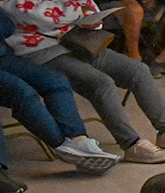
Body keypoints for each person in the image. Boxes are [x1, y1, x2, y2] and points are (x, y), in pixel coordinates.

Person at [0, 0, 165, 162]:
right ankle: (131, 143)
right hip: (41, 50)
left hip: (79, 41)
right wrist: (75, 15)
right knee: (99, 82)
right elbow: (36, 15)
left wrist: (79, 15)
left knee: (137, 69)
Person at [0, 13, 119, 182]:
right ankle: (65, 147)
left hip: (3, 57)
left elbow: (7, 26)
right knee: (23, 93)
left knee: (56, 80)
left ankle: (78, 140)